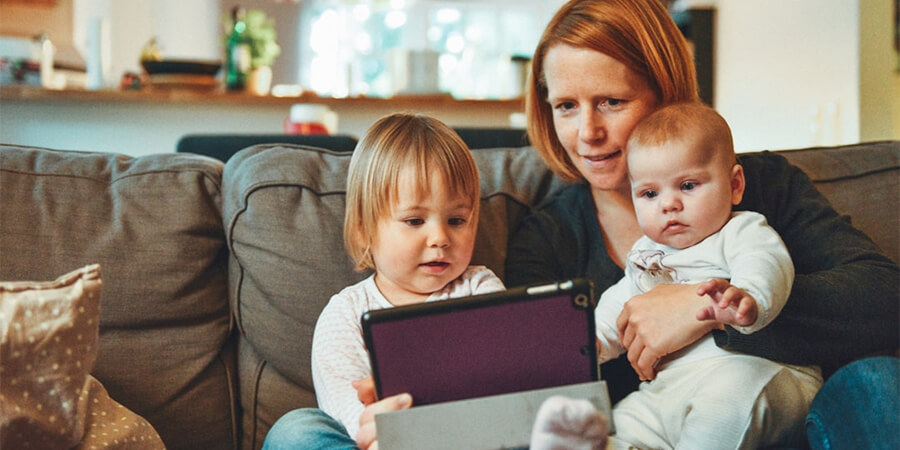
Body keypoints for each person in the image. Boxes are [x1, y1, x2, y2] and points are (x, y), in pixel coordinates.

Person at [504, 0, 898, 447]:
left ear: (664, 92)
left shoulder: (760, 186)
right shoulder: (546, 239)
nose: (587, 132)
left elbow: (884, 299)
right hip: (649, 430)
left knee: (878, 380)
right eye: (566, 106)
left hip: (787, 418)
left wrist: (705, 310)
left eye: (612, 102)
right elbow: (536, 389)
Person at [535, 102, 823, 449]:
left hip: (758, 373)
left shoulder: (740, 230)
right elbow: (622, 302)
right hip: (670, 387)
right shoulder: (646, 253)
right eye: (650, 193)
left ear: (734, 185)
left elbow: (765, 261)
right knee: (626, 419)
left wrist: (749, 297)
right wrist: (588, 343)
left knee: (726, 403)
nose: (668, 204)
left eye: (687, 185)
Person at [262, 113, 504, 449]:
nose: (440, 237)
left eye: (457, 220)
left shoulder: (480, 289)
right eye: (415, 220)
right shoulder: (345, 313)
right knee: (296, 430)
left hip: (463, 440)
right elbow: (348, 415)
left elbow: (503, 381)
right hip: (375, 443)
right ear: (364, 228)